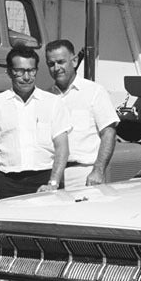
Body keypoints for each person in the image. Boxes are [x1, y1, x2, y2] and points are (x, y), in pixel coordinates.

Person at [0, 45, 70, 201]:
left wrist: (53, 183)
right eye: (20, 71)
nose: (27, 77)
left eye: (31, 70)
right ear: (9, 72)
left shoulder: (53, 103)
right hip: (7, 184)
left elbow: (62, 147)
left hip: (44, 183)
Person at [45, 39, 119, 190]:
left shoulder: (94, 92)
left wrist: (98, 171)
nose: (56, 68)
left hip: (83, 174)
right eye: (51, 64)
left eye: (61, 62)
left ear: (74, 61)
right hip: (52, 175)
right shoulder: (45, 97)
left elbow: (108, 133)